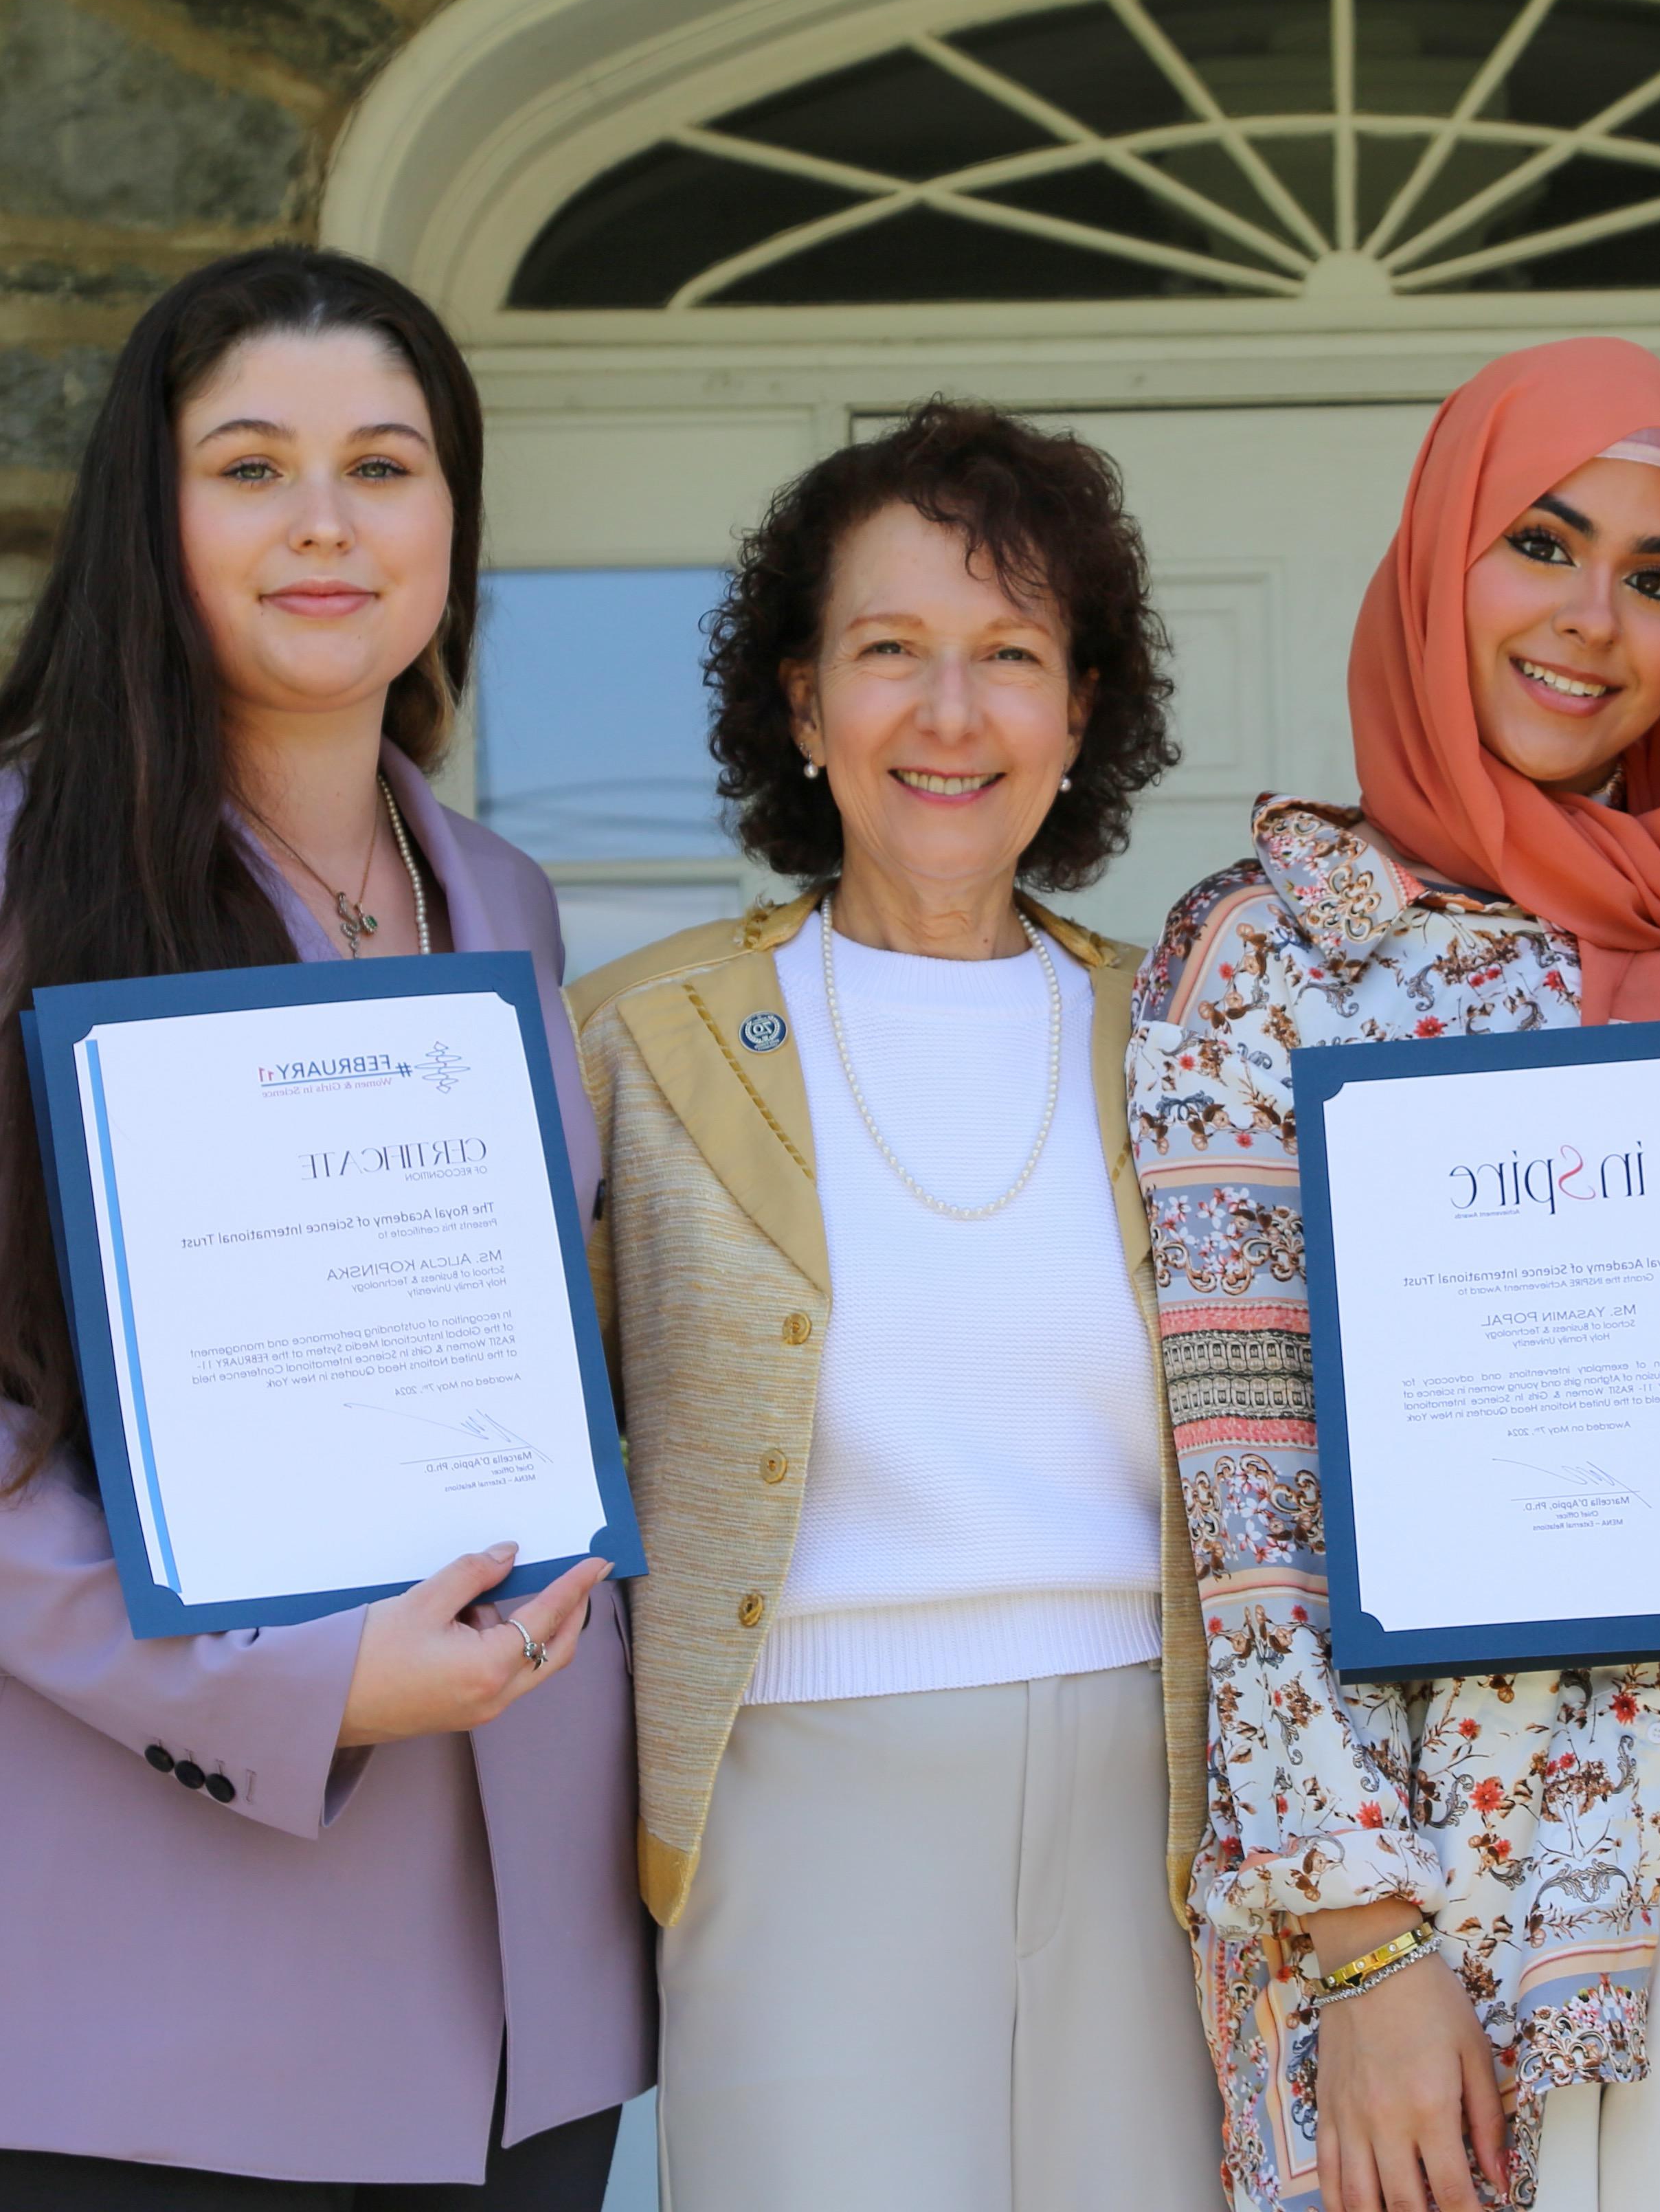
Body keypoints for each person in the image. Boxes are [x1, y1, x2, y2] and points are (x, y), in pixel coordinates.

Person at [0, 249, 645, 2205]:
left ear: (453, 521)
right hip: (101, 1980)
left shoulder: (504, 897)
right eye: (250, 466)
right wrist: (295, 1687)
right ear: (151, 519)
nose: (325, 520)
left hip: (508, 1985)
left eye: (384, 466)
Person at [1129, 336, 1660, 2212]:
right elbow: (1249, 1497)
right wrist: (1361, 1944)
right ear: (1440, 559)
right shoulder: (1269, 957)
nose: (1593, 619)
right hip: (1441, 1843)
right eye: (1540, 542)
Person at [573, 402, 1220, 2210]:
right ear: (801, 703)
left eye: (1009, 657)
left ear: (1081, 709)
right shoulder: (643, 1041)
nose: (950, 716)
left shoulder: (1184, 1038)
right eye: (889, 654)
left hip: (1151, 1807)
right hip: (790, 1796)